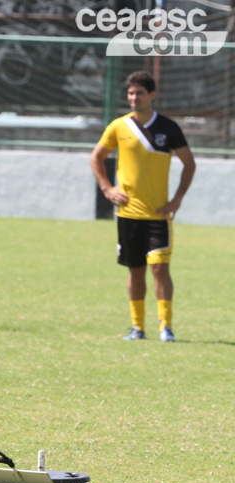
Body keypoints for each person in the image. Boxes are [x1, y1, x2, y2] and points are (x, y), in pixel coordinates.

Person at [90, 70, 195, 342]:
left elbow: (189, 164)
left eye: (139, 93)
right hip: (128, 214)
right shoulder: (118, 126)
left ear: (152, 95)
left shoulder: (168, 128)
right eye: (130, 93)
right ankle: (137, 327)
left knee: (159, 268)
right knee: (135, 269)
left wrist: (177, 199)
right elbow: (96, 158)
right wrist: (107, 188)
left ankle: (166, 327)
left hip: (158, 215)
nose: (134, 98)